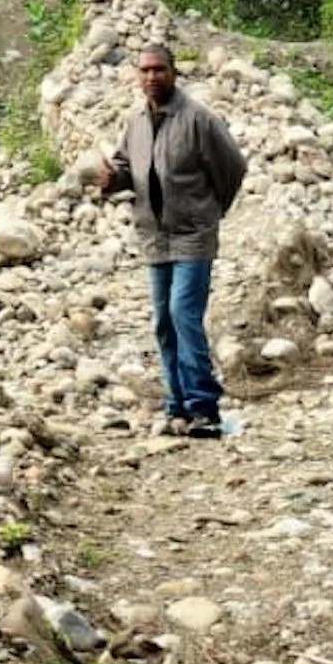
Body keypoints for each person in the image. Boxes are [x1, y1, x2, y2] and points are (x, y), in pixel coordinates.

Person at [95, 40, 246, 440]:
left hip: (193, 235)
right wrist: (114, 181)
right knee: (163, 322)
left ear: (174, 73)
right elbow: (127, 167)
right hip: (155, 237)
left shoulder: (197, 119)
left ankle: (204, 408)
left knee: (184, 314)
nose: (151, 77)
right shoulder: (136, 124)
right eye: (144, 70)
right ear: (136, 76)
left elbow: (232, 167)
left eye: (158, 69)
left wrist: (210, 211)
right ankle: (177, 406)